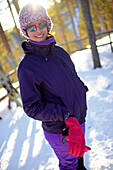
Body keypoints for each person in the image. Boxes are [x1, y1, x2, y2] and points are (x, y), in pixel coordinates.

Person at [18, 3, 91, 170]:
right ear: (25, 31)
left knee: (79, 159)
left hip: (79, 120)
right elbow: (32, 107)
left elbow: (72, 77)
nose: (38, 30)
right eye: (31, 27)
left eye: (41, 24)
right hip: (61, 130)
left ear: (48, 25)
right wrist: (65, 114)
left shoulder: (60, 52)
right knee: (69, 165)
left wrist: (80, 89)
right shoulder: (27, 67)